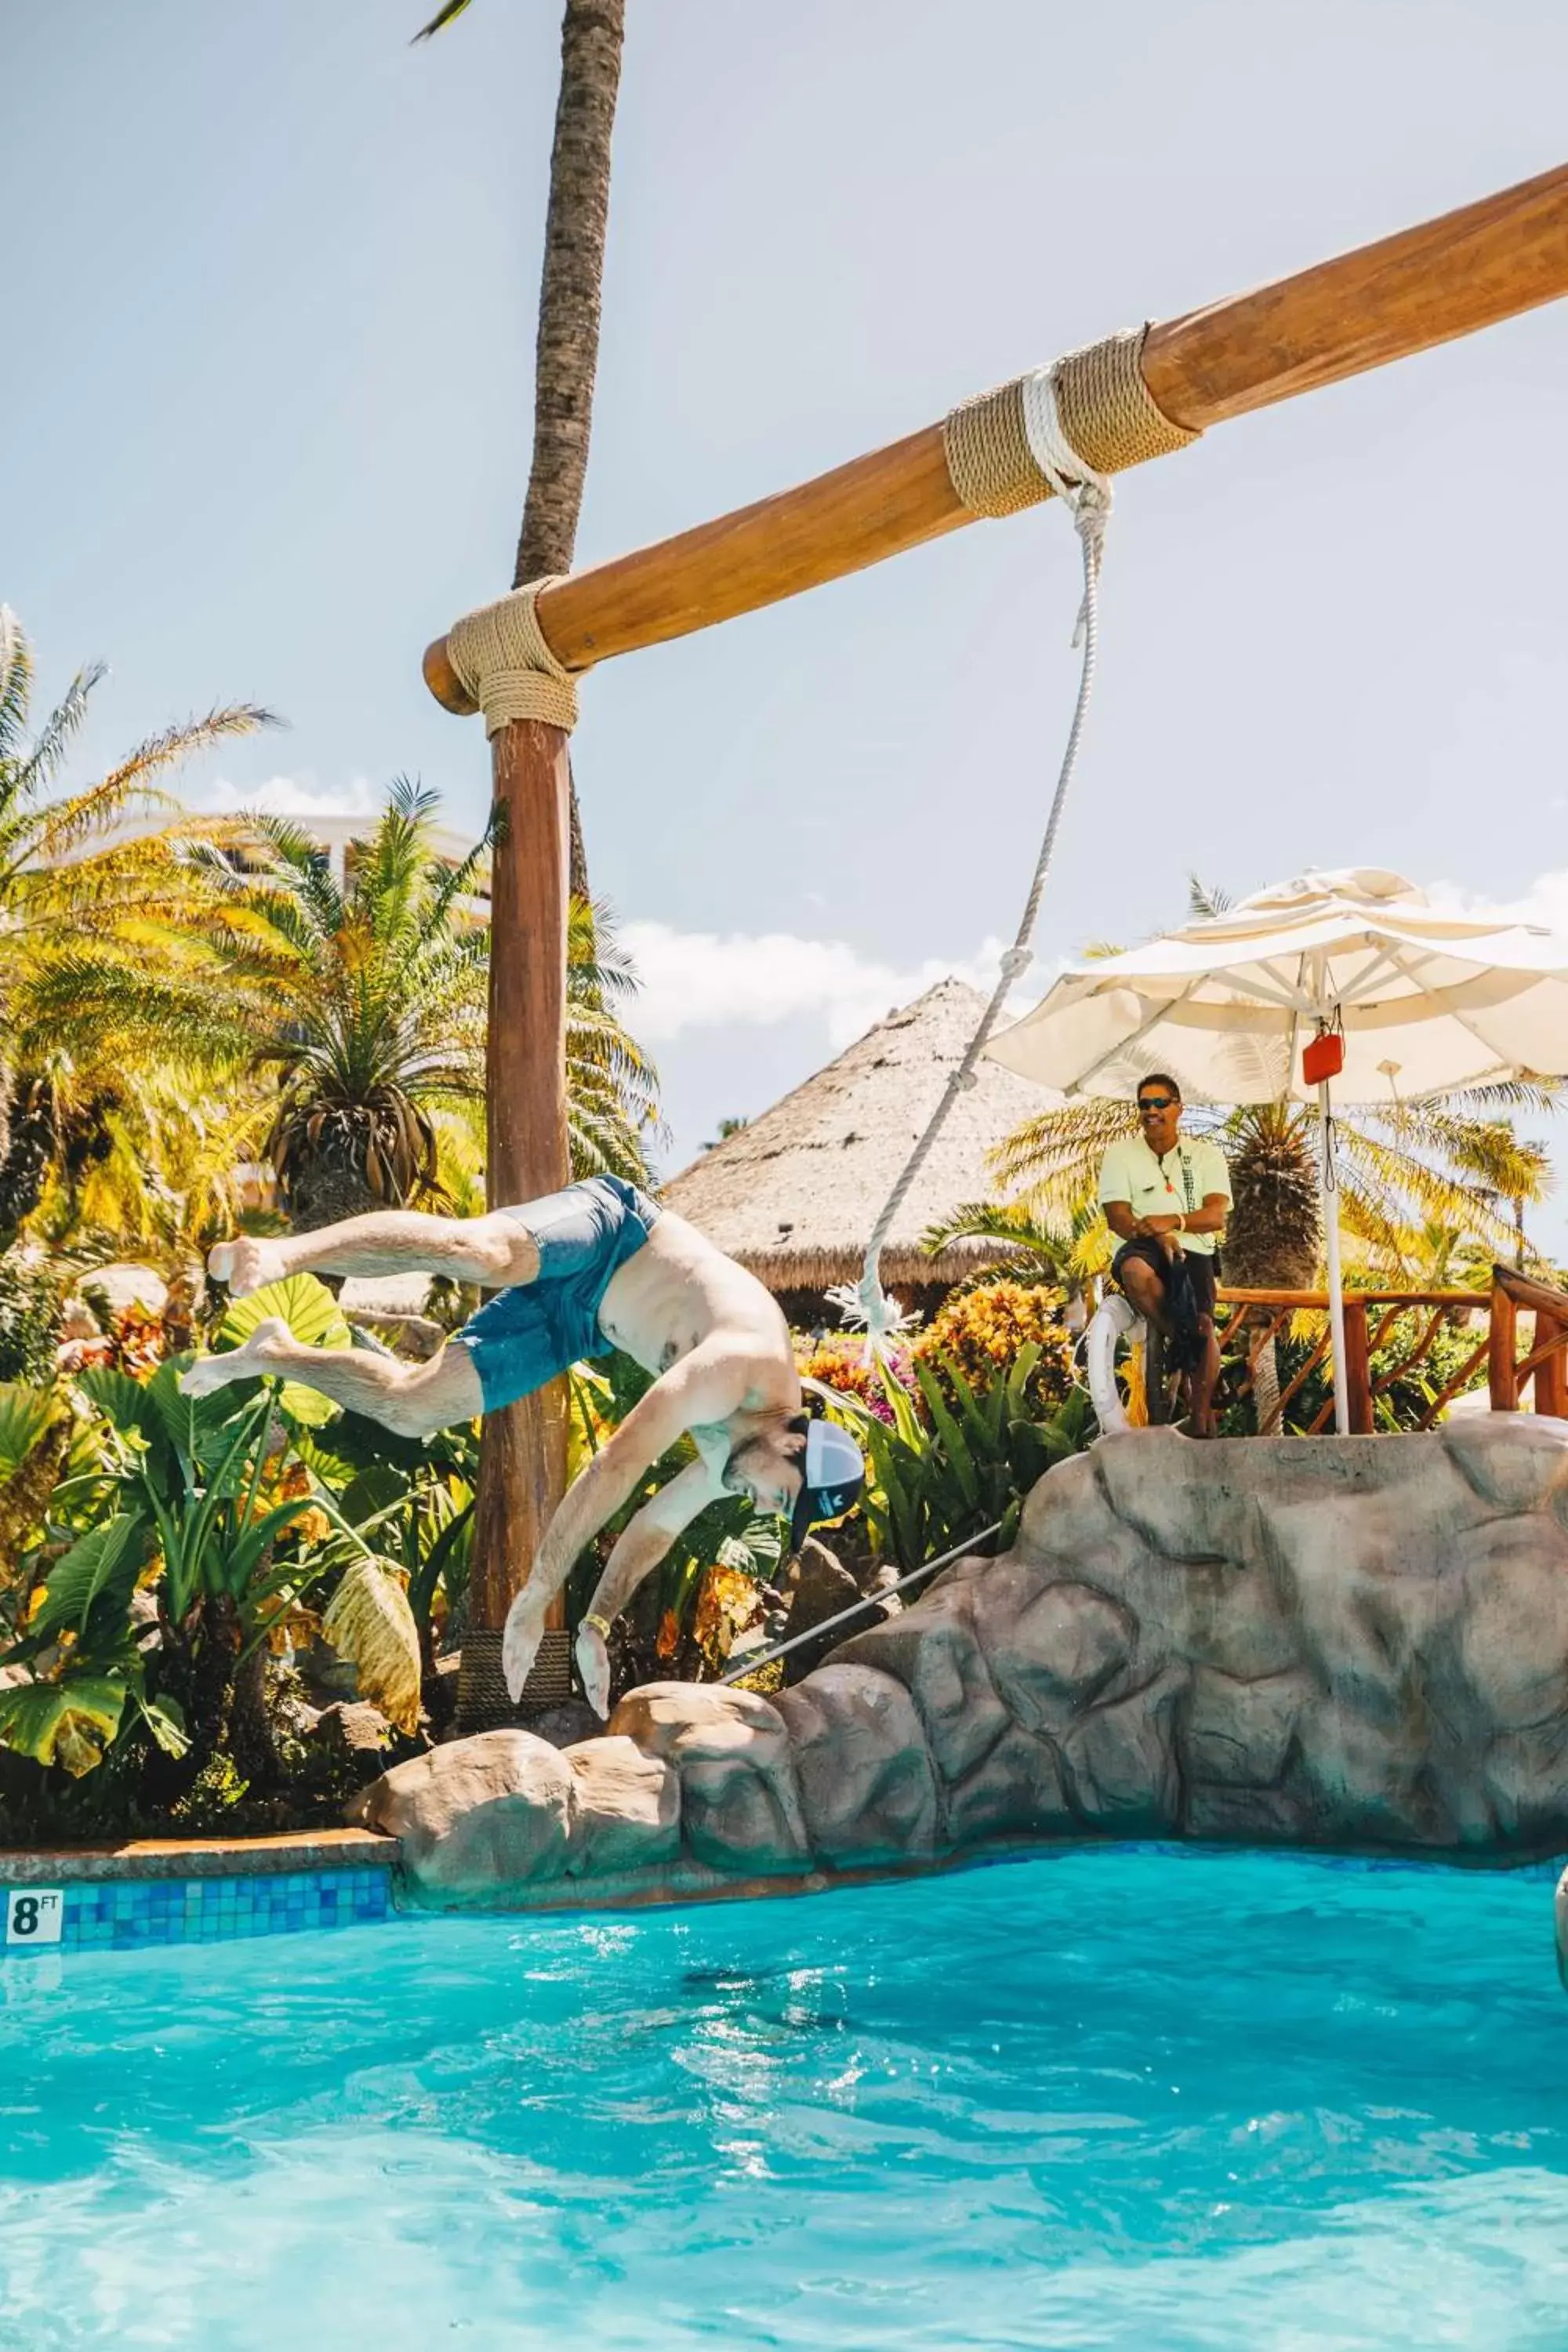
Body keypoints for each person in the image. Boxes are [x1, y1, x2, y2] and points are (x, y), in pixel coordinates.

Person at [180, 1175, 865, 1715]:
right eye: (785, 1497)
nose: (767, 1506)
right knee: (486, 1256)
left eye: (781, 1514)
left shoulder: (745, 1449)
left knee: (412, 1408)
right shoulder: (740, 1367)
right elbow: (618, 1462)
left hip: (579, 1327)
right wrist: (539, 1592)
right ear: (793, 1443)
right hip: (613, 1235)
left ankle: (276, 1352)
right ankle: (284, 1254)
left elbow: (655, 1528)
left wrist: (596, 1622)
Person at [1097, 1076, 1232, 1437]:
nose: (1152, 1111)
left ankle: (1202, 1423)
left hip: (1196, 1250)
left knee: (1204, 1324)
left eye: (1161, 1103)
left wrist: (1175, 1221)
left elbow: (1216, 1216)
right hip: (1143, 1242)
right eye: (1144, 1104)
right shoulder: (1119, 1155)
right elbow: (1117, 1217)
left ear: (1179, 1108)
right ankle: (1193, 1349)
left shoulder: (1207, 1156)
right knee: (1135, 1271)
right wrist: (1159, 1236)